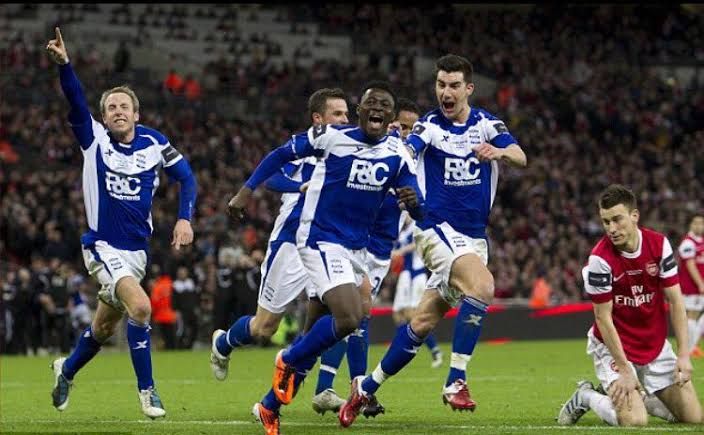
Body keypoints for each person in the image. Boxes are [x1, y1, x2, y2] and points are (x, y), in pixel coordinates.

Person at [339, 54, 527, 427]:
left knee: (422, 321)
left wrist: (500, 151)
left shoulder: (487, 125)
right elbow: (408, 150)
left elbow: (520, 156)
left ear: (468, 88)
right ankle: (456, 380)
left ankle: (365, 388)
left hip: (473, 240)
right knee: (483, 286)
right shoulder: (428, 126)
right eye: (441, 84)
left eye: (454, 85)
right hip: (435, 228)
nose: (446, 92)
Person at [228, 80, 424, 434]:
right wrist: (245, 191)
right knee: (350, 317)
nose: (377, 109)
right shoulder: (331, 137)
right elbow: (281, 155)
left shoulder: (398, 153)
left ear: (390, 116)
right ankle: (288, 359)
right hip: (319, 238)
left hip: (355, 249)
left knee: (316, 333)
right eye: (371, 103)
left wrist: (415, 203)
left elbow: (418, 206)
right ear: (360, 111)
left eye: (384, 105)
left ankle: (269, 406)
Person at [45, 27, 197, 419]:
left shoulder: (155, 143)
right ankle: (148, 392)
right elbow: (76, 100)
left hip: (137, 254)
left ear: (136, 113)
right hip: (101, 245)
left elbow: (187, 178)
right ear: (103, 116)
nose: (117, 111)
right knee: (141, 307)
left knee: (102, 329)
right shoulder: (93, 139)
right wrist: (66, 67)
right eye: (111, 107)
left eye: (123, 106)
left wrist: (184, 217)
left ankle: (66, 369)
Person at [208, 88, 349, 386]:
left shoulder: (350, 149)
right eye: (337, 114)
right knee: (264, 327)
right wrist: (298, 186)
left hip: (329, 243)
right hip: (291, 242)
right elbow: (273, 175)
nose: (345, 119)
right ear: (318, 119)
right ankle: (223, 343)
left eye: (346, 114)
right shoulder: (306, 147)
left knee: (340, 313)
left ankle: (322, 387)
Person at [557, 184, 702, 427]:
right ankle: (587, 396)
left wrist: (684, 355)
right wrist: (625, 369)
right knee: (635, 421)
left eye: (617, 219)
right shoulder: (600, 259)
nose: (611, 229)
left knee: (694, 418)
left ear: (634, 216)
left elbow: (676, 301)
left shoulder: (659, 245)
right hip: (616, 347)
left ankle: (641, 399)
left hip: (653, 345)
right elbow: (603, 318)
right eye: (606, 222)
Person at [392, 215, 443, 368]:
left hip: (418, 274)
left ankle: (434, 349)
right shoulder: (401, 231)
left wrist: (400, 251)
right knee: (398, 314)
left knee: (412, 315)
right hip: (405, 274)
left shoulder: (417, 225)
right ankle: (401, 350)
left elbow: (418, 243)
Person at [677, 213, 704, 357]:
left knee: (696, 315)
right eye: (696, 223)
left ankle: (692, 347)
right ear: (691, 224)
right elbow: (690, 265)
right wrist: (700, 283)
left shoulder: (701, 241)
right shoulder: (688, 242)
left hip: (699, 286)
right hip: (691, 286)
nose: (699, 226)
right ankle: (688, 348)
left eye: (701, 223)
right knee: (691, 315)